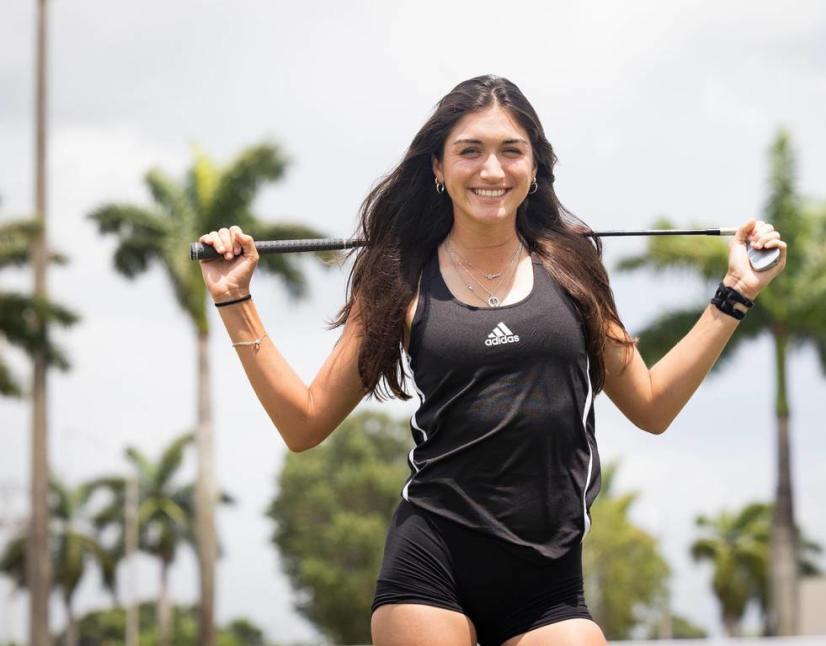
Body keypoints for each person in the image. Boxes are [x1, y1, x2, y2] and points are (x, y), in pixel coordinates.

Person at [197, 75, 787, 646]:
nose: (491, 169)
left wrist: (734, 293)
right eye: (469, 151)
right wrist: (233, 298)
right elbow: (304, 421)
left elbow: (652, 406)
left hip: (549, 578)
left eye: (511, 151)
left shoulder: (573, 271)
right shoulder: (401, 279)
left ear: (534, 168)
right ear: (438, 166)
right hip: (432, 562)